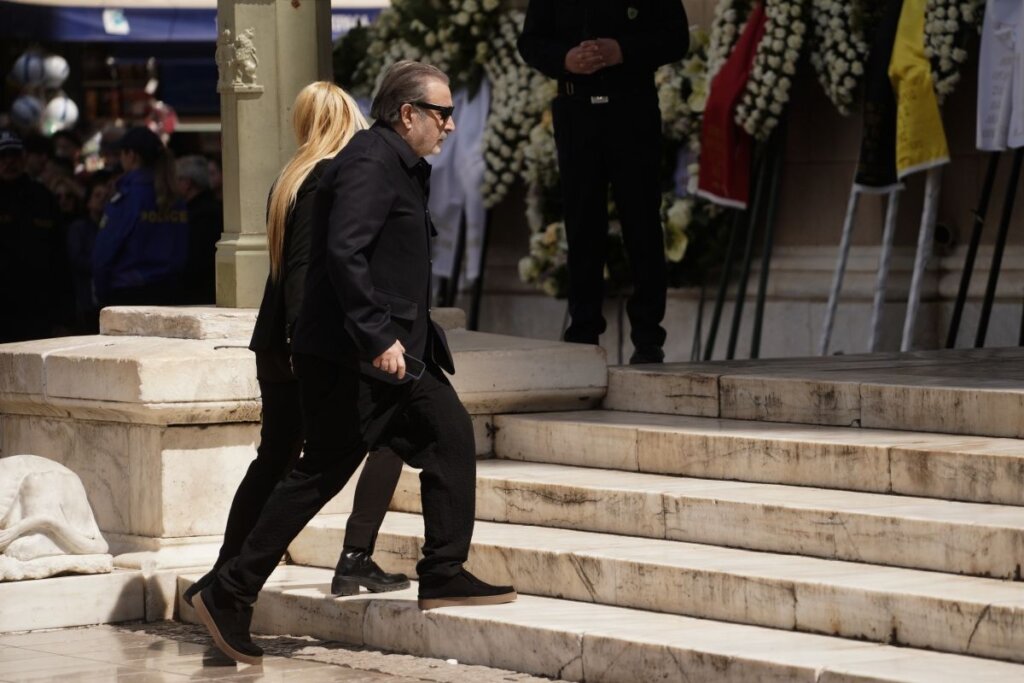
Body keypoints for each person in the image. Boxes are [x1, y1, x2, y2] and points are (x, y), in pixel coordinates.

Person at [193, 62, 516, 666]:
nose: (451, 125)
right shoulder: (370, 162)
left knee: (446, 434)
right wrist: (375, 336)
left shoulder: (393, 163)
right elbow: (344, 253)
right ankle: (229, 590)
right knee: (320, 473)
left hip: (384, 353)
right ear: (409, 114)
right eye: (443, 113)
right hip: (360, 355)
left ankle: (443, 571)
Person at [183, 81, 409, 610]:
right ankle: (353, 556)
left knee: (277, 456)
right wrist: (302, 337)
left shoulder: (290, 177)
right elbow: (308, 267)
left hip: (279, 338)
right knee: (389, 429)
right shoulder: (330, 177)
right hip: (307, 338)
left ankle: (224, 569)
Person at [518, 0, 689, 364]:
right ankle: (583, 332)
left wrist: (621, 51)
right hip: (576, 112)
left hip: (632, 109)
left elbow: (676, 38)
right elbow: (531, 42)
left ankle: (648, 337)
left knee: (641, 220)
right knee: (582, 223)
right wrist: (565, 59)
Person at [92, 126, 188, 306]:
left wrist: (102, 294)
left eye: (121, 153)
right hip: (169, 292)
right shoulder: (175, 198)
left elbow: (104, 252)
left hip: (128, 293)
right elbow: (181, 250)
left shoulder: (127, 197)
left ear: (132, 155)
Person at [0, 129, 62, 343]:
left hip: (38, 308)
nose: (9, 162)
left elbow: (59, 256)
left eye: (14, 155)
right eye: (3, 156)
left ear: (24, 157)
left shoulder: (43, 198)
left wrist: (64, 315)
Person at [66, 171, 113, 334]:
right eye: (97, 195)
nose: (102, 199)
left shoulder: (112, 228)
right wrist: (102, 265)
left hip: (107, 297)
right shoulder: (79, 228)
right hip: (86, 297)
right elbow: (76, 259)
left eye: (106, 196)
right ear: (88, 202)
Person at [175, 154, 223, 304]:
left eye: (177, 179)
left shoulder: (199, 215)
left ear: (187, 183)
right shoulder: (215, 208)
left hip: (197, 293)